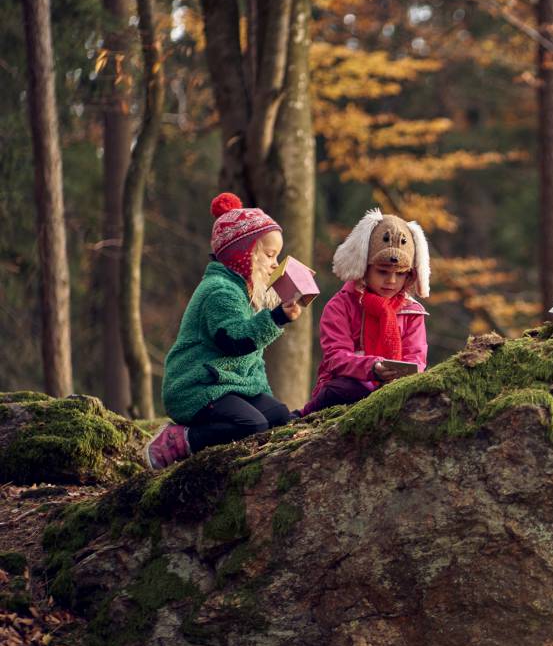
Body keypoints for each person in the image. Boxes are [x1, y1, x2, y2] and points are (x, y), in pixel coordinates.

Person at [144, 192, 304, 469]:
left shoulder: (245, 293)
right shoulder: (220, 291)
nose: (275, 264)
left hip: (230, 384)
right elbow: (236, 341)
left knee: (277, 416)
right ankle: (181, 439)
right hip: (198, 387)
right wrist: (276, 317)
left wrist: (263, 392)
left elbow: (252, 359)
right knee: (252, 424)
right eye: (269, 255)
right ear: (243, 256)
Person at [299, 208, 430, 416]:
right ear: (364, 267)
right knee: (342, 390)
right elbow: (336, 357)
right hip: (350, 384)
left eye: (400, 274)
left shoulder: (412, 311)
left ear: (410, 275)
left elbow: (416, 357)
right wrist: (372, 367)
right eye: (382, 272)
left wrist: (399, 373)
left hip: (395, 387)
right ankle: (303, 414)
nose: (392, 281)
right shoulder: (340, 305)